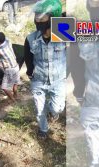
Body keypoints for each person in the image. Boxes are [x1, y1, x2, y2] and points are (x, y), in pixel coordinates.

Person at [75, 0, 99, 167]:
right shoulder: (83, 30)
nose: (97, 2)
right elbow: (75, 64)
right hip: (94, 103)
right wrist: (79, 93)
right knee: (97, 162)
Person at [24, 0, 66, 140]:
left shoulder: (64, 34)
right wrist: (30, 73)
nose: (37, 20)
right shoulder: (31, 38)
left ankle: (53, 112)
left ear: (52, 19)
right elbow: (28, 59)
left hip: (59, 80)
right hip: (39, 80)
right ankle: (43, 129)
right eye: (36, 16)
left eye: (41, 17)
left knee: (57, 108)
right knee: (39, 109)